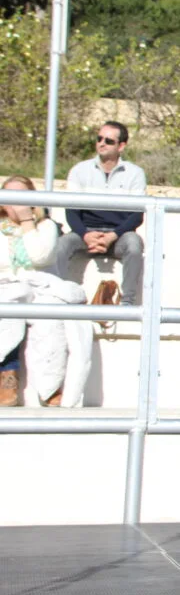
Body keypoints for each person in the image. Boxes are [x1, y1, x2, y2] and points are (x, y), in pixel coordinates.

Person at [55, 121, 147, 305]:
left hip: (118, 236)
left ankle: (127, 302)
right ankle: (59, 297)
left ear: (121, 146)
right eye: (99, 138)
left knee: (134, 244)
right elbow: (71, 212)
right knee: (61, 244)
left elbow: (137, 216)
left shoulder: (135, 174)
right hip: (85, 233)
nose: (101, 143)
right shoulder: (79, 170)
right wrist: (85, 235)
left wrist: (112, 236)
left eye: (108, 141)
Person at [1, 175, 61, 406]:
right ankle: (8, 379)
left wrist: (27, 222)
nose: (16, 204)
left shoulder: (45, 227)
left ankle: (51, 387)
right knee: (9, 315)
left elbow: (39, 257)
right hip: (7, 288)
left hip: (40, 287)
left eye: (21, 197)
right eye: (10, 197)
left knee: (52, 325)